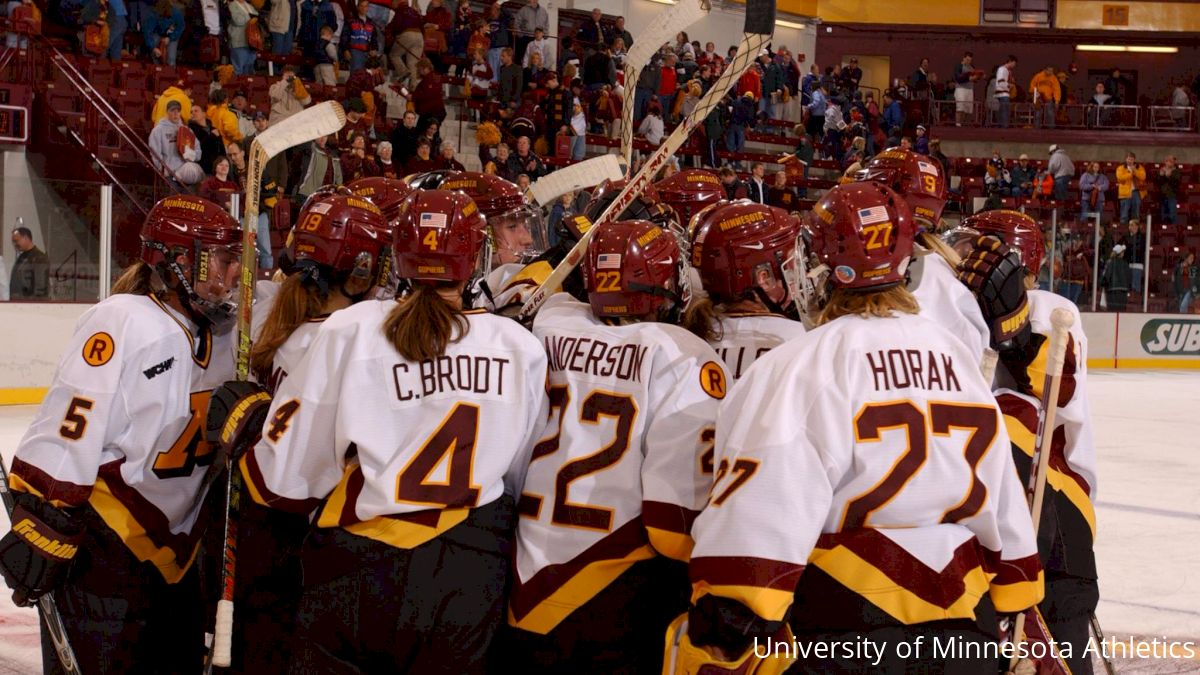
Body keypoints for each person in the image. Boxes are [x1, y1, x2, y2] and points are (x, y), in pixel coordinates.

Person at [677, 183, 1041, 673]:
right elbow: (1003, 502)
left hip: (847, 629)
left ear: (827, 268)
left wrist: (725, 628)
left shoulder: (801, 363)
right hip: (965, 628)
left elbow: (759, 523)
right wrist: (1019, 595)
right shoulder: (954, 357)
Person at [239, 189, 548, 672]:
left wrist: (243, 431)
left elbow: (280, 479)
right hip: (466, 576)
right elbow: (518, 479)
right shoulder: (520, 346)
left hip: (358, 567)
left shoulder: (352, 328)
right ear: (473, 256)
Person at [0, 196, 241, 672]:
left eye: (238, 259)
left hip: (183, 552)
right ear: (176, 262)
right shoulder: (123, 321)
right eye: (223, 259)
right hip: (107, 549)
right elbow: (71, 424)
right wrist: (46, 516)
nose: (235, 273)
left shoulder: (230, 331)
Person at [498, 218, 725, 673]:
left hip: (519, 578)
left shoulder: (550, 320)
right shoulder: (681, 353)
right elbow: (674, 524)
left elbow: (522, 288)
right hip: (617, 589)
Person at [950, 209, 1100, 675]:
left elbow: (1057, 387)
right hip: (1008, 504)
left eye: (983, 254)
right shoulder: (959, 315)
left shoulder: (1049, 308)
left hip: (1054, 502)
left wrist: (1011, 323)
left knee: (1062, 641)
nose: (968, 263)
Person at [683, 202, 806, 381]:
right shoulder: (801, 342)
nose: (797, 278)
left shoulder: (686, 340)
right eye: (789, 268)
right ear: (764, 278)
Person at [149, 99, 204, 186]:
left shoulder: (186, 130)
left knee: (199, 173)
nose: (176, 113)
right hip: (170, 175)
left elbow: (198, 152)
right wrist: (163, 170)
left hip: (186, 173)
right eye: (172, 111)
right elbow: (155, 154)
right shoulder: (158, 131)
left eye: (178, 111)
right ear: (167, 112)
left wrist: (192, 155)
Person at [291, 134, 342, 202]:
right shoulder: (310, 148)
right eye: (319, 135)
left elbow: (338, 177)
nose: (322, 138)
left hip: (326, 196)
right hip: (308, 194)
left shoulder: (332, 155)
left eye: (325, 135)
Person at [8, 225, 48, 300]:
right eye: (13, 242)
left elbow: (40, 288)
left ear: (26, 238)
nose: (14, 244)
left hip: (30, 306)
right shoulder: (21, 257)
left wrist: (29, 304)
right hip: (19, 305)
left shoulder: (39, 258)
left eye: (16, 241)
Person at [1115, 152, 1145, 224]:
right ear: (1126, 159)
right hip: (1125, 193)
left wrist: (1135, 171)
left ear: (1134, 160)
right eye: (1128, 159)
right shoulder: (1120, 168)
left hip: (1136, 192)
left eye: (1131, 159)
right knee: (1124, 214)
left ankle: (1135, 229)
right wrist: (1130, 173)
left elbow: (1143, 177)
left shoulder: (1139, 167)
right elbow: (1120, 178)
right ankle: (1122, 229)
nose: (1130, 161)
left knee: (1136, 213)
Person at [1101, 242, 1130, 311]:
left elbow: (1106, 277)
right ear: (1121, 253)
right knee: (1121, 311)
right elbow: (1129, 277)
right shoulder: (1125, 264)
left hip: (1112, 291)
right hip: (1123, 291)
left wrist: (1104, 285)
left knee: (1112, 312)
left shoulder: (1110, 263)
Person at [1029, 65, 1060, 129]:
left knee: (1050, 114)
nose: (1051, 72)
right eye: (1050, 71)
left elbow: (1057, 90)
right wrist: (1035, 95)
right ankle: (1036, 128)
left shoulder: (1053, 78)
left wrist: (1057, 100)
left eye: (1052, 71)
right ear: (1045, 70)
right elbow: (1032, 86)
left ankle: (1051, 128)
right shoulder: (1038, 76)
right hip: (1039, 99)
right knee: (1038, 114)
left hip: (1048, 99)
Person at [953, 51, 978, 126]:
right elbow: (958, 78)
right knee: (960, 107)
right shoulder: (959, 66)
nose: (968, 61)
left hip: (970, 89)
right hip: (961, 89)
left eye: (970, 60)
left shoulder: (972, 67)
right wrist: (969, 78)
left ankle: (963, 123)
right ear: (964, 58)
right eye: (967, 60)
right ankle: (957, 123)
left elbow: (974, 78)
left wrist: (977, 77)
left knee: (967, 108)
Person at [1156, 155, 1182, 225]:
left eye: (1170, 161)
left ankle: (1174, 230)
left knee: (1172, 215)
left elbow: (1176, 183)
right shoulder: (1162, 170)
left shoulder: (1176, 172)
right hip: (1163, 196)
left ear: (1173, 163)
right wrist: (1161, 176)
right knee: (1164, 215)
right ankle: (1164, 230)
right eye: (1167, 161)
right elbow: (1158, 182)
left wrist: (1168, 176)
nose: (1168, 163)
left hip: (1172, 196)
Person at [995, 54, 1016, 127]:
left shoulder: (1007, 71)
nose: (1014, 65)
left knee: (1005, 111)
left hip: (1006, 93)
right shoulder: (1002, 69)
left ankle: (1004, 125)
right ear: (1010, 61)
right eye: (1014, 63)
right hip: (1002, 94)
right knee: (1004, 111)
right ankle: (1004, 126)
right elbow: (1000, 82)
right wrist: (1009, 85)